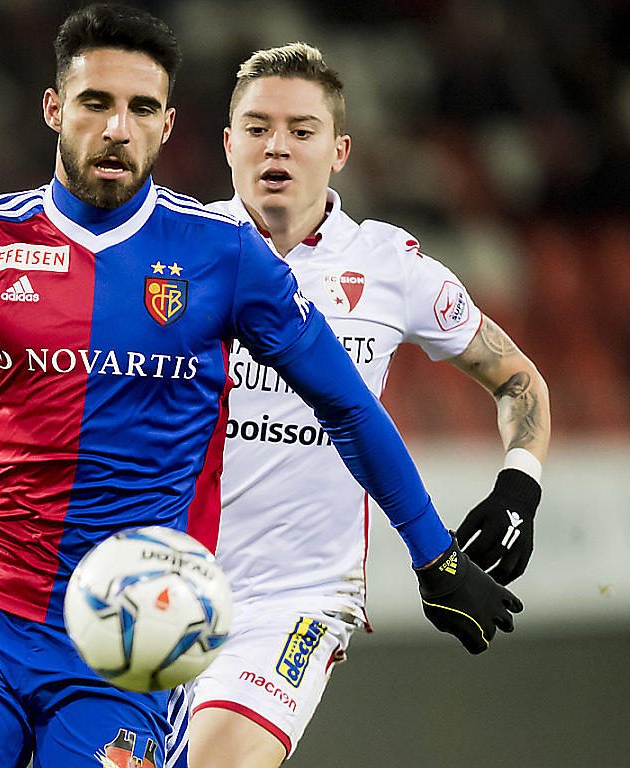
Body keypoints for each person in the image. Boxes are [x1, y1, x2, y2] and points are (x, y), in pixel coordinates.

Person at [0, 8, 521, 768]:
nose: (117, 129)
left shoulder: (224, 256)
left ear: (168, 126)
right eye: (95, 103)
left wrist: (434, 557)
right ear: (54, 109)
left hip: (129, 639)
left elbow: (346, 404)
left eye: (140, 109)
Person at [184, 43, 551, 768]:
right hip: (161, 585)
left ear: (340, 149)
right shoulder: (173, 252)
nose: (277, 146)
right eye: (256, 127)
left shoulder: (391, 267)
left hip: (296, 601)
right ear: (228, 144)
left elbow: (519, 381)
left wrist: (519, 489)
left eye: (302, 128)